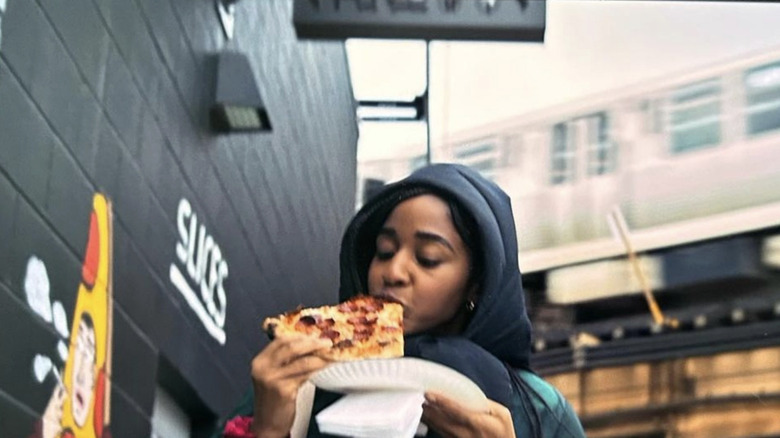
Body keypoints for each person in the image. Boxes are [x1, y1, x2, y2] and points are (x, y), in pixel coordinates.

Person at [221, 163, 585, 438]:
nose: (392, 271)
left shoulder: (540, 411)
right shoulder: (300, 382)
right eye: (383, 251)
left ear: (477, 286)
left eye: (427, 258)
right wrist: (267, 429)